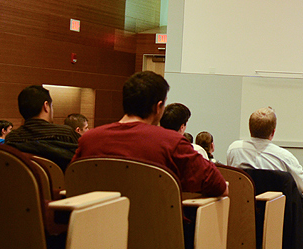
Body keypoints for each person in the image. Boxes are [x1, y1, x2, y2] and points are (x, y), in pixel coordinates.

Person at [72, 71, 227, 196]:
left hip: (97, 229)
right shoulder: (172, 142)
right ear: (158, 107)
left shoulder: (89, 140)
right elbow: (219, 186)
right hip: (158, 231)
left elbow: (73, 180)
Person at [227, 107, 303, 194]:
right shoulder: (284, 157)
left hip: (241, 208)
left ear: (250, 128)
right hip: (276, 210)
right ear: (273, 132)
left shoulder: (234, 150)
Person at [5, 86, 80, 171]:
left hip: (23, 183)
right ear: (46, 106)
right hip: (61, 183)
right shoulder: (66, 134)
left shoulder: (11, 138)